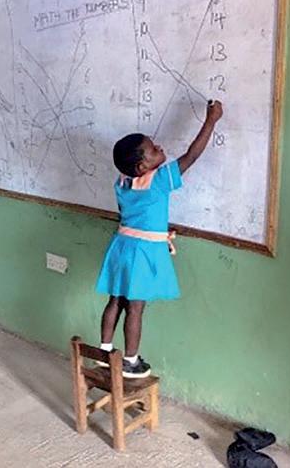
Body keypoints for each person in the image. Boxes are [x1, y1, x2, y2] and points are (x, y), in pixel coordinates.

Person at [95, 100, 224, 378]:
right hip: (143, 252)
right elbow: (192, 155)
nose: (160, 148)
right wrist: (211, 120)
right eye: (154, 149)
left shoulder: (122, 182)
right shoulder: (159, 180)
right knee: (136, 307)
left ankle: (104, 352)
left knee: (116, 299)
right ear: (142, 166)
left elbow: (129, 214)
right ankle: (130, 361)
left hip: (122, 246)